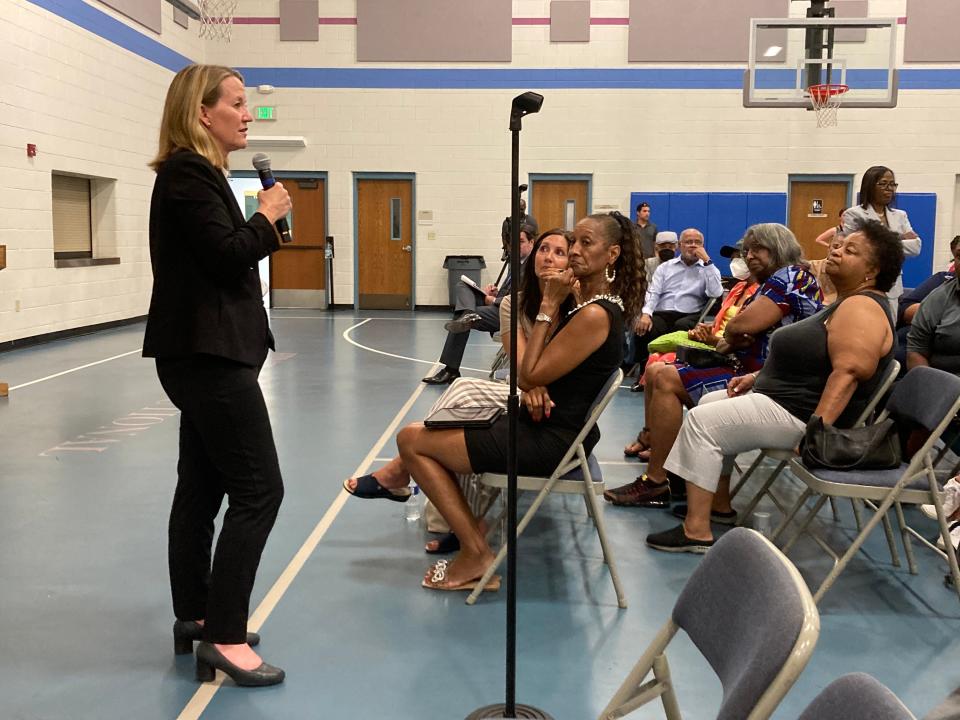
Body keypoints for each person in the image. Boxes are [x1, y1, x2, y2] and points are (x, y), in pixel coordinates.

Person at [395, 212, 645, 591]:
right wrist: (538, 375)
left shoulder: (595, 314)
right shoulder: (591, 304)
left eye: (585, 243)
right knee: (432, 426)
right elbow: (539, 373)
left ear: (612, 254)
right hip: (544, 422)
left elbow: (529, 374)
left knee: (411, 442)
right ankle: (466, 534)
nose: (574, 251)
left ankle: (475, 552)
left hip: (549, 440)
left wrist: (548, 305)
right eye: (573, 242)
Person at [143, 65, 289, 685]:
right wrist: (268, 215)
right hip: (208, 359)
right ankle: (224, 635)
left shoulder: (201, 175)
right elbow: (226, 256)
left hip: (206, 356)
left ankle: (197, 614)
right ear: (203, 113)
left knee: (201, 489)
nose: (247, 113)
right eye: (236, 103)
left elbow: (222, 260)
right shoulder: (189, 174)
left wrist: (261, 225)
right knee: (260, 491)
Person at [645, 219, 903, 552]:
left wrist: (815, 430)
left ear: (873, 269)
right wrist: (757, 376)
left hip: (800, 414)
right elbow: (813, 360)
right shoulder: (846, 301)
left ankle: (696, 531)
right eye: (839, 245)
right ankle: (718, 507)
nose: (836, 252)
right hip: (784, 399)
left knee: (701, 422)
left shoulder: (862, 307)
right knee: (710, 405)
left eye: (850, 250)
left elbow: (849, 372)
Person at [342, 229, 574, 553]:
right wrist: (534, 384)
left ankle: (402, 474)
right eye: (544, 249)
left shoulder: (577, 306)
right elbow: (523, 370)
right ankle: (451, 512)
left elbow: (570, 365)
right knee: (460, 408)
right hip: (528, 392)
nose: (549, 257)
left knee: (462, 397)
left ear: (571, 262)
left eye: (559, 252)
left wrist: (539, 383)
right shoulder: (514, 304)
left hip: (555, 402)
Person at [607, 223, 822, 507]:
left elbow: (741, 326)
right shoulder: (768, 284)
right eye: (747, 249)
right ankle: (669, 471)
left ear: (780, 248)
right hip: (749, 369)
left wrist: (734, 334)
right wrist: (733, 336)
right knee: (657, 369)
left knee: (665, 377)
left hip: (764, 381)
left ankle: (658, 481)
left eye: (759, 248)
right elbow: (732, 336)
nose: (750, 255)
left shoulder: (791, 277)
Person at [422, 225, 534, 385]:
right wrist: (493, 293)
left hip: (510, 312)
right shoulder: (516, 263)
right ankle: (468, 312)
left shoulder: (531, 267)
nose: (516, 246)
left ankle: (451, 370)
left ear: (532, 242)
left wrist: (494, 300)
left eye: (521, 241)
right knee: (462, 285)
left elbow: (525, 299)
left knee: (461, 317)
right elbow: (510, 291)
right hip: (499, 303)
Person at [627, 228, 723, 387]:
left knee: (681, 327)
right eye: (688, 242)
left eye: (697, 242)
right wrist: (646, 313)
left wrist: (707, 262)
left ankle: (676, 373)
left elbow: (716, 292)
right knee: (645, 328)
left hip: (690, 314)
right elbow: (653, 292)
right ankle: (645, 374)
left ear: (703, 246)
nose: (693, 246)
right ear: (679, 245)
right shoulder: (665, 267)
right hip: (663, 312)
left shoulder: (708, 268)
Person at [842, 166, 921, 317]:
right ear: (870, 186)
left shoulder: (900, 215)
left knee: (889, 329)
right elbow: (860, 249)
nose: (889, 188)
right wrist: (898, 239)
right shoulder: (854, 214)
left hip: (892, 285)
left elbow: (916, 247)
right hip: (863, 283)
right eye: (883, 183)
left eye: (892, 184)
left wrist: (881, 242)